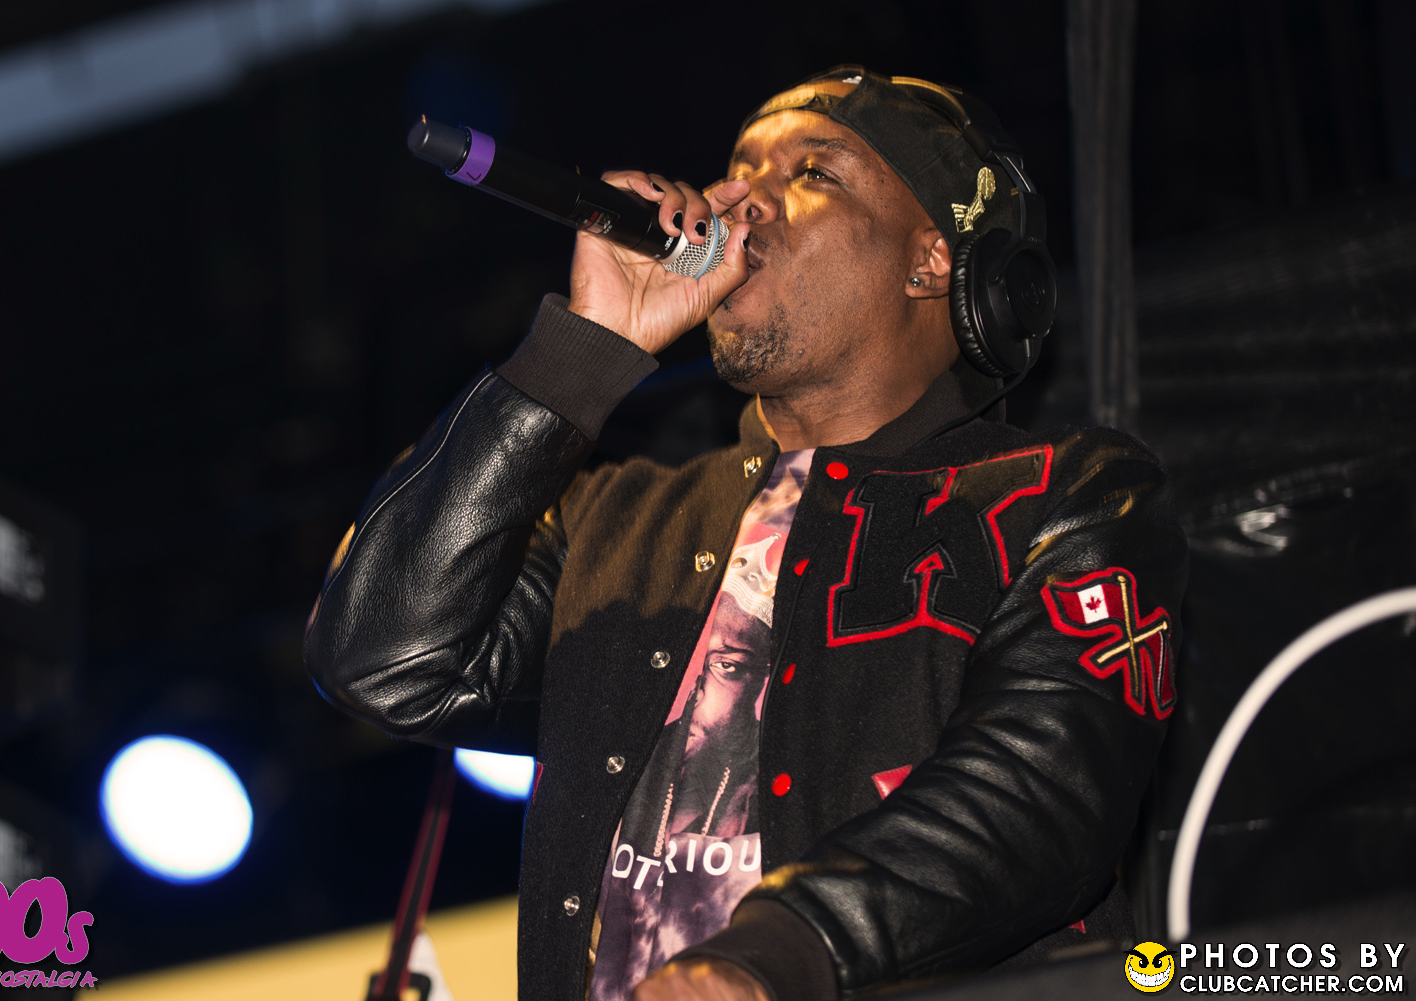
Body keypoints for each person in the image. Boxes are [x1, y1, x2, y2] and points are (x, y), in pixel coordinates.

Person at [304, 66, 1187, 1001]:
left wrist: (772, 953)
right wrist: (582, 352)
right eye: (739, 168)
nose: (739, 200)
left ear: (931, 260)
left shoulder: (1064, 495)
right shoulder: (611, 520)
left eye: (813, 172)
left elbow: (1037, 797)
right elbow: (379, 659)